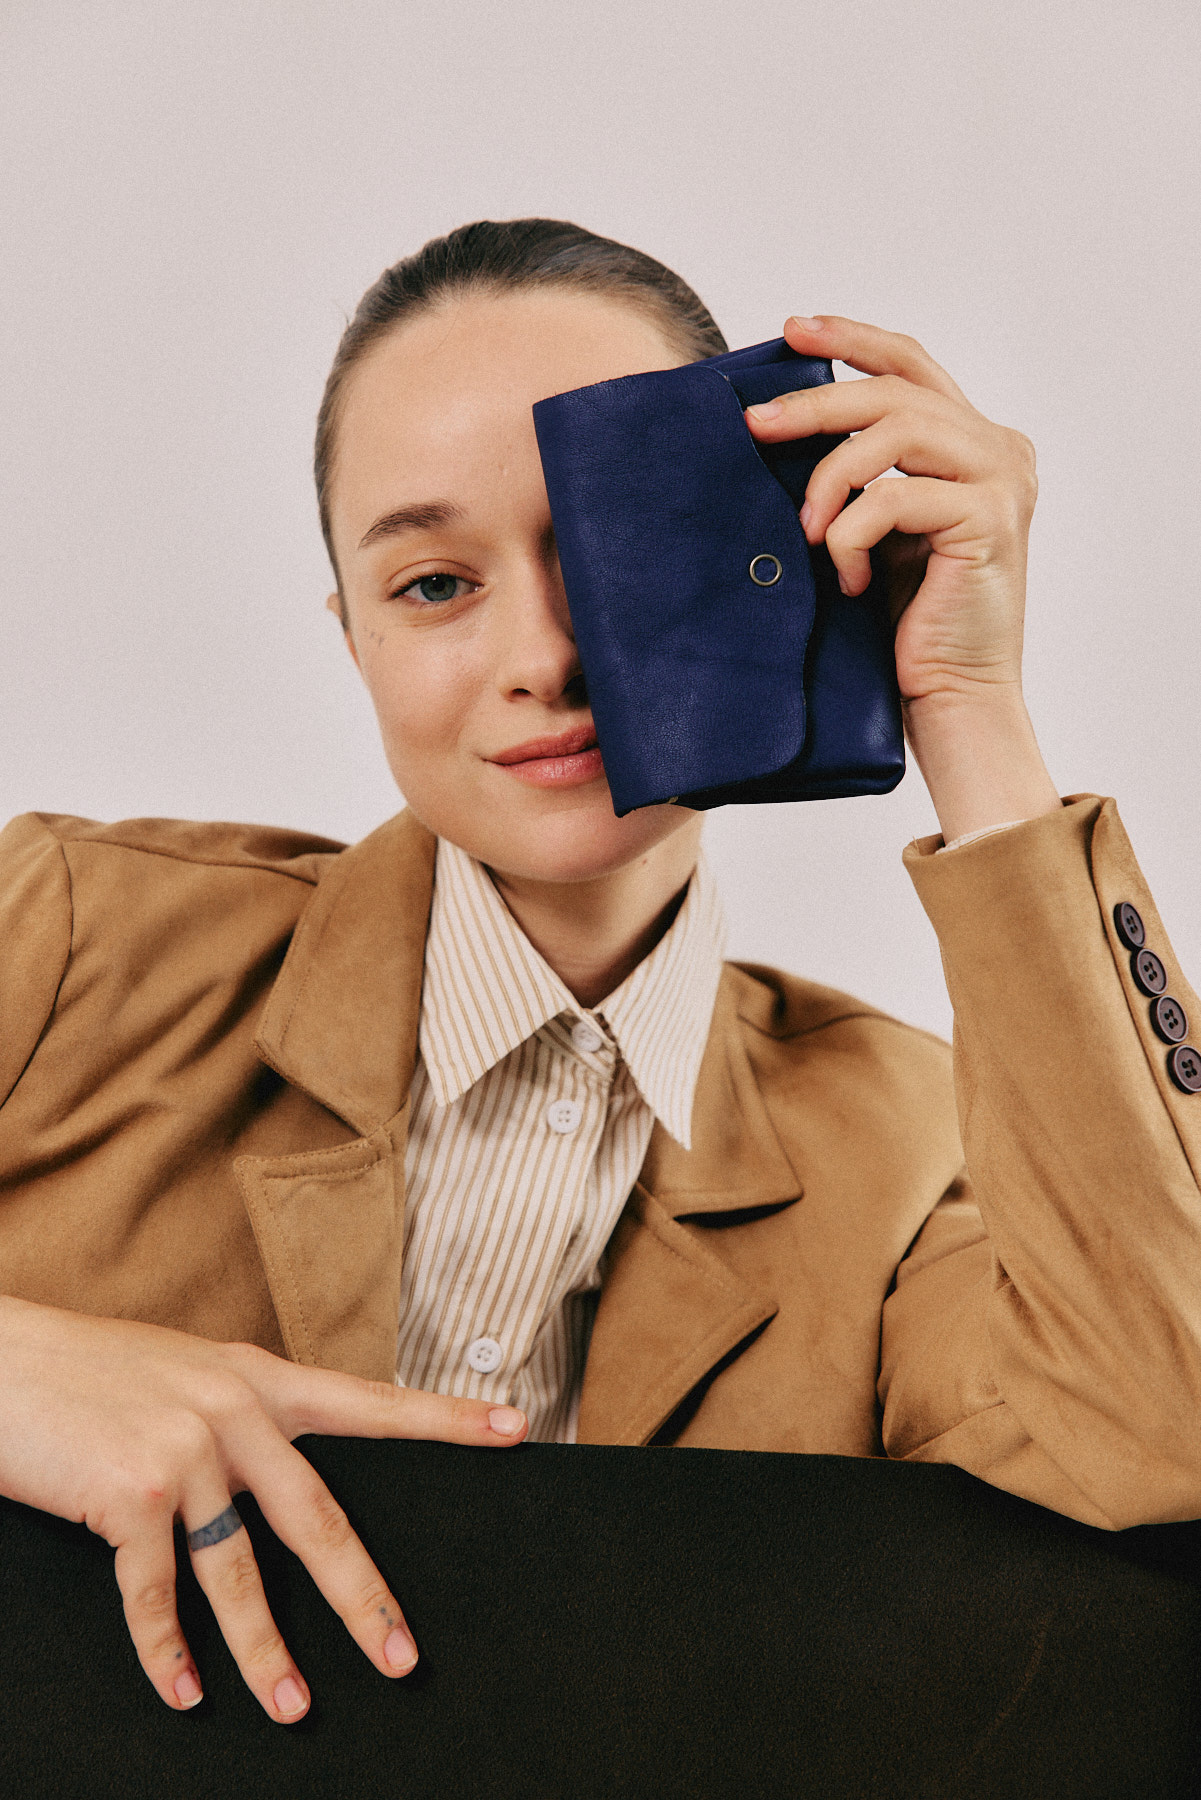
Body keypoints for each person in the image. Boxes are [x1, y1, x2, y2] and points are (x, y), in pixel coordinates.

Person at [2, 217, 1200, 1729]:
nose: (545, 657)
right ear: (353, 639)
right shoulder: (67, 940)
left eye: (613, 554)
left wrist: (967, 705)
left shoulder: (910, 1149)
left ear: (775, 572)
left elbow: (1166, 1434)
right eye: (433, 585)